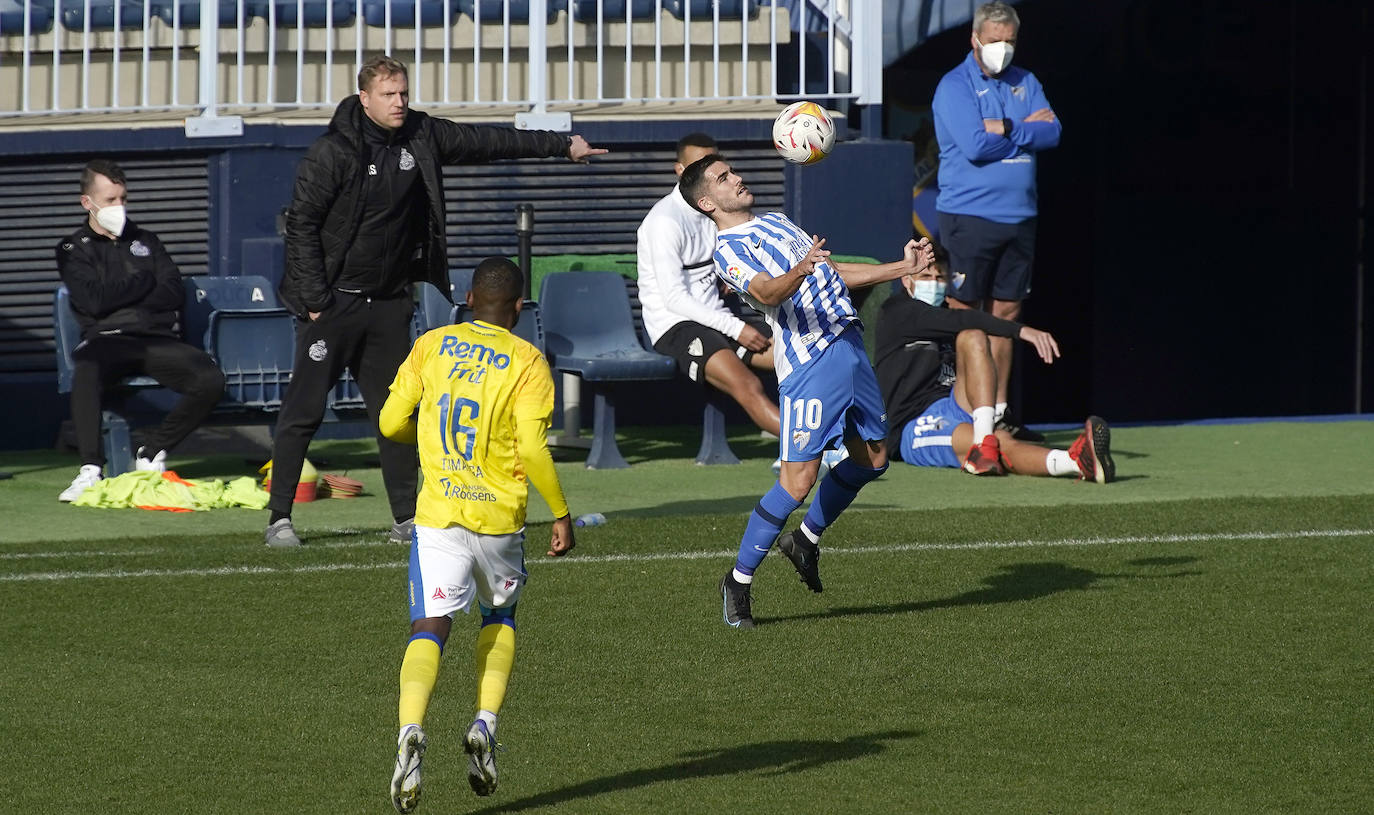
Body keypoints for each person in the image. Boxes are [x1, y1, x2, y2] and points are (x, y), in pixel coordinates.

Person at [264, 54, 606, 548]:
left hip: (388, 303)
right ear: (365, 98)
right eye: (388, 95)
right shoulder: (332, 152)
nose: (400, 102)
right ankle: (280, 519)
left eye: (403, 93)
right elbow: (301, 226)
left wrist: (560, 146)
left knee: (397, 412)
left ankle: (406, 516)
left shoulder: (421, 135)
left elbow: (488, 142)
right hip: (333, 303)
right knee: (304, 409)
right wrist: (316, 299)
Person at [679, 154, 935, 629]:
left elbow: (832, 273)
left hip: (849, 343)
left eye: (733, 171)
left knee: (874, 458)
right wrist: (800, 269)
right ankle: (738, 581)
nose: (737, 178)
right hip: (810, 360)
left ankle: (805, 540)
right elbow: (768, 293)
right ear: (707, 202)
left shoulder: (776, 220)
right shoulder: (727, 249)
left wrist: (901, 267)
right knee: (798, 481)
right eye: (723, 178)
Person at [378, 257, 576, 812]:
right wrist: (559, 513)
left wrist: (431, 442)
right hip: (499, 519)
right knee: (499, 617)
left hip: (439, 515)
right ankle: (485, 723)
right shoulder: (529, 361)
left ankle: (410, 731)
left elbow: (391, 423)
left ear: (466, 297)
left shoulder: (432, 345)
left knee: (430, 625)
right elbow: (534, 449)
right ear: (519, 307)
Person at [54, 159, 226, 502]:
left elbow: (173, 292)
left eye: (123, 198)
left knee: (210, 379)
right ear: (88, 203)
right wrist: (144, 281)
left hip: (155, 338)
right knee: (86, 370)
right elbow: (93, 301)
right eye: (111, 200)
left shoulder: (147, 240)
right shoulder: (72, 249)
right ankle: (91, 469)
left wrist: (125, 295)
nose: (119, 207)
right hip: (106, 340)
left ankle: (151, 451)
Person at [932, 1, 1060, 441]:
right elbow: (973, 145)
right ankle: (971, 413)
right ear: (975, 40)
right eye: (994, 41)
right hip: (969, 215)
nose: (1002, 50)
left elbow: (1054, 132)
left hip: (1020, 216)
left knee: (1007, 313)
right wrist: (1026, 130)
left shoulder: (1026, 81)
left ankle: (1001, 413)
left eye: (1010, 42)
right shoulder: (954, 85)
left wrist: (1006, 126)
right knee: (968, 315)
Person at [874, 248, 1114, 483]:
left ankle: (985, 440)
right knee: (1003, 442)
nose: (933, 283)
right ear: (906, 280)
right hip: (912, 422)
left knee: (973, 336)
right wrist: (1020, 330)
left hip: (954, 404)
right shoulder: (896, 311)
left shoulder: (945, 312)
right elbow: (962, 317)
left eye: (940, 278)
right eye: (926, 277)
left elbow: (966, 323)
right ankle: (1072, 462)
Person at [636, 133, 780, 443]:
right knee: (748, 385)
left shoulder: (717, 208)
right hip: (674, 326)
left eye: (715, 164)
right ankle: (819, 447)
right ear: (680, 170)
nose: (712, 171)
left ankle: (807, 443)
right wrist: (736, 327)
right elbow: (673, 298)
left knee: (795, 358)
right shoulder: (664, 221)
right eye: (700, 164)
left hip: (715, 318)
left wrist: (725, 278)